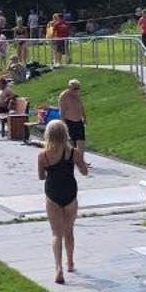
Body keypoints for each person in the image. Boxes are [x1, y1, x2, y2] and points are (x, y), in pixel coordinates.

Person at [38, 117, 86, 283]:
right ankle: (70, 262)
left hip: (52, 193)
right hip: (70, 192)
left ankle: (58, 268)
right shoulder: (73, 152)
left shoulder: (43, 155)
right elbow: (84, 171)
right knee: (69, 230)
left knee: (56, 234)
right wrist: (80, 163)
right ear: (65, 134)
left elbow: (41, 176)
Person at [57, 78, 88, 171]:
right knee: (71, 142)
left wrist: (84, 117)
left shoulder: (77, 95)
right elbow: (62, 111)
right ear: (70, 87)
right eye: (75, 88)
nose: (77, 90)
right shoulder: (64, 96)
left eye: (78, 88)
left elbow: (81, 106)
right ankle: (72, 159)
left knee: (81, 141)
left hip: (78, 120)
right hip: (69, 120)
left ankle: (81, 159)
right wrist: (63, 123)